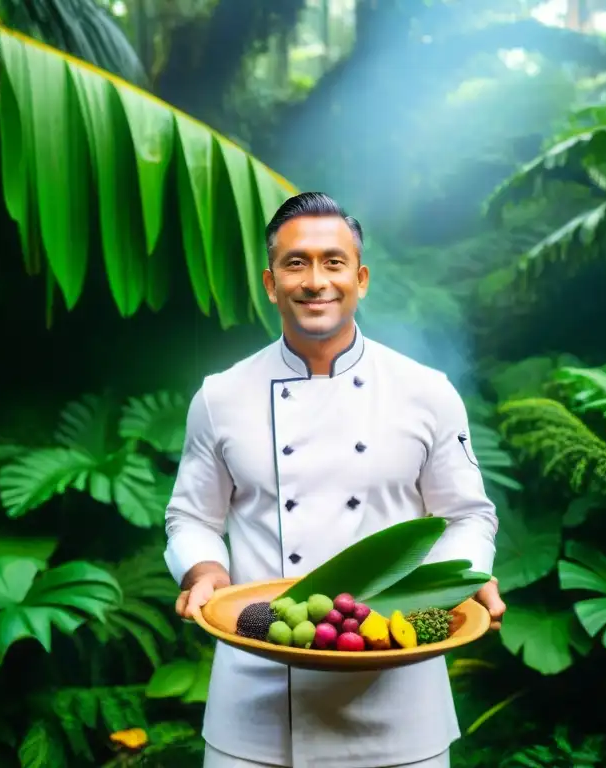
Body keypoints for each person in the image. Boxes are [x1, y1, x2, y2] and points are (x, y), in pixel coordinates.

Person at [164, 192, 505, 768]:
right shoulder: (220, 396)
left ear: (361, 278)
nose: (315, 280)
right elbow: (191, 516)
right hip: (257, 694)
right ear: (271, 283)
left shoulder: (426, 391)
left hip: (398, 692)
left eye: (333, 261)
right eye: (295, 263)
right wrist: (205, 569)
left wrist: (462, 575)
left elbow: (469, 515)